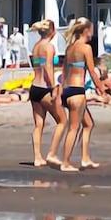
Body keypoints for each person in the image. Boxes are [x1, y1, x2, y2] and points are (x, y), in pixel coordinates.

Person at [53, 18, 106, 171]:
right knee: (73, 128)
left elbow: (64, 72)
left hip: (67, 90)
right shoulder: (85, 48)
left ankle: (85, 158)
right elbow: (92, 71)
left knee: (88, 124)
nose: (93, 33)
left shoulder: (70, 48)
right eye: (92, 30)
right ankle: (66, 163)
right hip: (77, 91)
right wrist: (101, 89)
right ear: (86, 31)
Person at [26, 19, 64, 167]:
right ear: (53, 32)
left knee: (38, 125)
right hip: (44, 88)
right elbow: (48, 67)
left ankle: (37, 157)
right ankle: (52, 154)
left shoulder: (36, 46)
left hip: (34, 87)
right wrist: (54, 86)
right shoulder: (49, 47)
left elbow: (39, 66)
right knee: (62, 120)